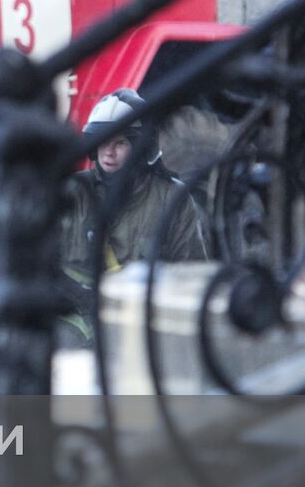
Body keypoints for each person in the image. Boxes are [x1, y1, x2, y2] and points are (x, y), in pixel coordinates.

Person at [59, 88, 210, 338]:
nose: (108, 152)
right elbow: (37, 263)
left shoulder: (172, 198)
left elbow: (191, 275)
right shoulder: (73, 192)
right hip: (76, 326)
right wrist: (81, 297)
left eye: (120, 143)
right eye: (104, 141)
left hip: (142, 325)